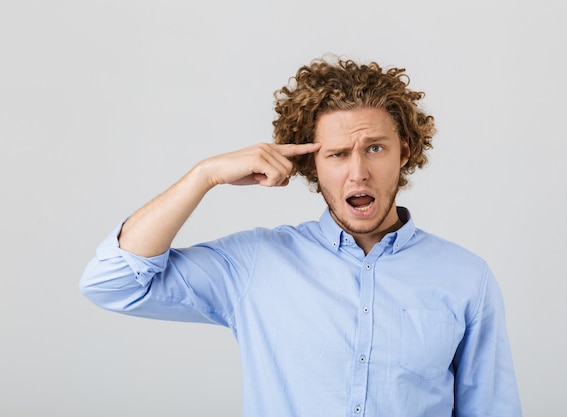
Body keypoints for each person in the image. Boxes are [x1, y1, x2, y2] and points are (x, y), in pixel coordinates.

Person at [80, 55, 522, 417]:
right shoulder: (257, 262)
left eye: (375, 148)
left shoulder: (466, 277)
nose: (358, 172)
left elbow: (491, 408)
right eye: (337, 154)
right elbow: (112, 281)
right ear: (313, 165)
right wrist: (205, 175)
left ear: (403, 151)